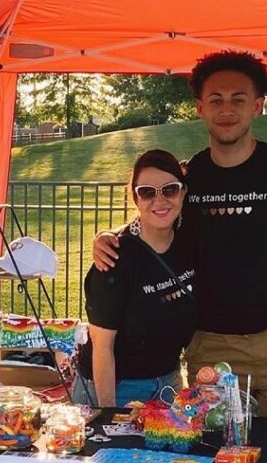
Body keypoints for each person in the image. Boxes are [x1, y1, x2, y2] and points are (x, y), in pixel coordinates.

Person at [94, 49, 267, 417]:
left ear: (257, 106)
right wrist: (108, 236)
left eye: (238, 99)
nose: (226, 109)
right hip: (212, 349)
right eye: (216, 99)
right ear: (200, 108)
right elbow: (156, 212)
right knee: (215, 458)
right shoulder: (191, 175)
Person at [73, 149, 197, 407]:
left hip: (169, 382)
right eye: (147, 192)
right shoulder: (115, 257)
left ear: (183, 192)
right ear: (135, 199)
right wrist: (109, 417)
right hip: (117, 387)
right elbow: (102, 346)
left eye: (170, 190)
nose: (159, 201)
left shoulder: (189, 243)